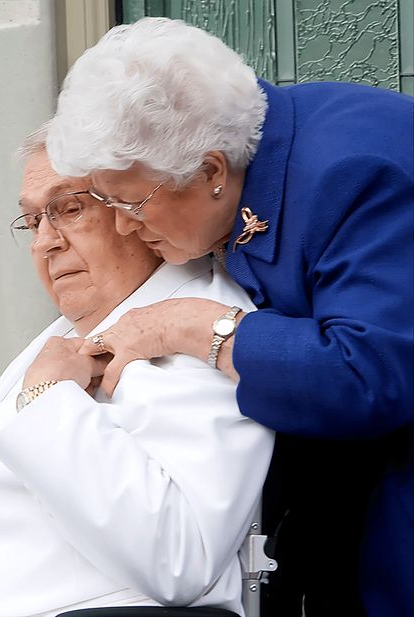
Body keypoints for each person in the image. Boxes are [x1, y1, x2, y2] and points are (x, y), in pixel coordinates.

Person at [46, 17, 414, 617]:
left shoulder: (354, 175)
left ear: (211, 172)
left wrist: (192, 326)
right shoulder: (262, 158)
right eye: (105, 203)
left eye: (131, 203)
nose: (121, 227)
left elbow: (368, 374)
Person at [0, 141, 274, 617]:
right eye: (33, 220)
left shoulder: (192, 333)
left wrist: (47, 398)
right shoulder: (71, 332)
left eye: (69, 208)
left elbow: (182, 555)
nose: (45, 241)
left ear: (134, 209)